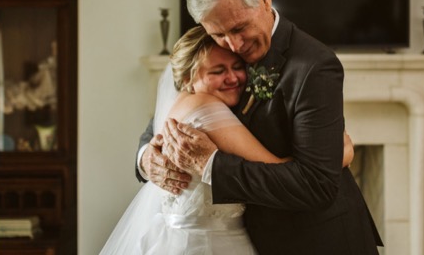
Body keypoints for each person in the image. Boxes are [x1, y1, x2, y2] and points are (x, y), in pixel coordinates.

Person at [140, 0, 382, 253]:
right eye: (219, 34)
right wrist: (147, 157)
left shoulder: (314, 66)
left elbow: (316, 186)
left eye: (240, 28)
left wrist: (211, 164)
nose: (234, 44)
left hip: (316, 242)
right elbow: (165, 120)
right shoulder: (213, 52)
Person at [102, 26, 354, 254]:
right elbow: (273, 168)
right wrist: (337, 154)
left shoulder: (183, 103)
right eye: (218, 71)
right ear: (188, 78)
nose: (233, 78)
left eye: (237, 67)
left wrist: (146, 154)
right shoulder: (205, 107)